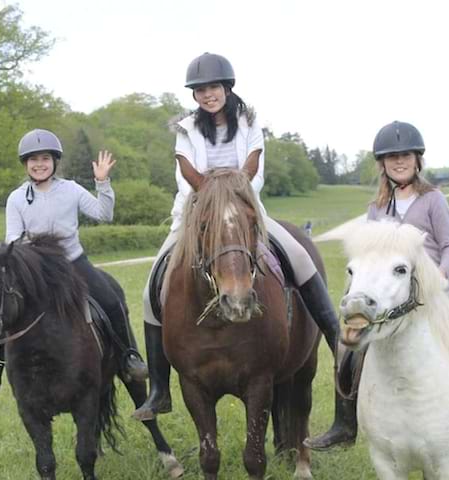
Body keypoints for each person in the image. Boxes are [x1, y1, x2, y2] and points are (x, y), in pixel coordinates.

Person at [132, 53, 340, 420]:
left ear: (227, 88)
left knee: (300, 256)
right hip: (198, 210)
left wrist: (236, 191)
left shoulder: (249, 121)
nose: (207, 95)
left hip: (244, 205)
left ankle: (338, 343)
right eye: (200, 90)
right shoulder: (186, 129)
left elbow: (256, 169)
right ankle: (159, 390)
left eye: (212, 87)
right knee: (154, 283)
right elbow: (184, 177)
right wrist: (207, 194)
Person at [304, 120, 449, 450]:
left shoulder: (434, 200)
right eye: (392, 156)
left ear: (417, 160)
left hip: (437, 290)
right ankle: (345, 423)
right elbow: (367, 256)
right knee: (345, 347)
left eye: (406, 155)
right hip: (389, 296)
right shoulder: (377, 208)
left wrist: (441, 275)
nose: (400, 161)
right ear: (382, 163)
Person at [0, 129, 148, 400]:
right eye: (33, 159)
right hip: (34, 273)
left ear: (54, 162)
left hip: (73, 262)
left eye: (45, 158)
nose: (39, 164)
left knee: (111, 300)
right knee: (4, 312)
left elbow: (104, 214)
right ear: (26, 164)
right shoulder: (16, 198)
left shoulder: (71, 190)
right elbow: (12, 238)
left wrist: (102, 182)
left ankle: (128, 357)